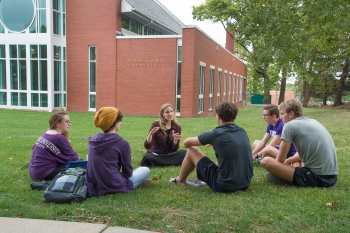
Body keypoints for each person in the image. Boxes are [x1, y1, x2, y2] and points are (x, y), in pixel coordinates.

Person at [169, 101, 253, 193]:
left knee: (192, 151)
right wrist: (216, 143)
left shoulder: (216, 134)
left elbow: (186, 143)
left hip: (223, 185)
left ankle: (180, 179)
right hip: (245, 184)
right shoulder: (242, 132)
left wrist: (209, 140)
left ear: (218, 116)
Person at [260, 99, 339, 187]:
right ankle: (291, 173)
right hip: (331, 177)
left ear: (291, 114)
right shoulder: (312, 121)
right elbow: (303, 153)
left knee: (266, 161)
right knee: (294, 161)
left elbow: (280, 159)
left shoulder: (289, 125)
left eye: (282, 114)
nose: (281, 117)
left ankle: (288, 177)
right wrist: (289, 161)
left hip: (318, 178)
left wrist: (284, 165)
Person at [85, 107, 151, 196]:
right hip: (114, 185)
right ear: (114, 122)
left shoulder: (92, 140)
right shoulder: (122, 143)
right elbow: (127, 171)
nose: (121, 122)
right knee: (145, 169)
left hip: (93, 186)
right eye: (120, 119)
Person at [29, 112, 79, 181]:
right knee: (78, 165)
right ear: (58, 124)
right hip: (44, 174)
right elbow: (73, 158)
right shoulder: (58, 138)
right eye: (67, 122)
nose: (69, 124)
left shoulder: (46, 134)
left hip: (35, 172)